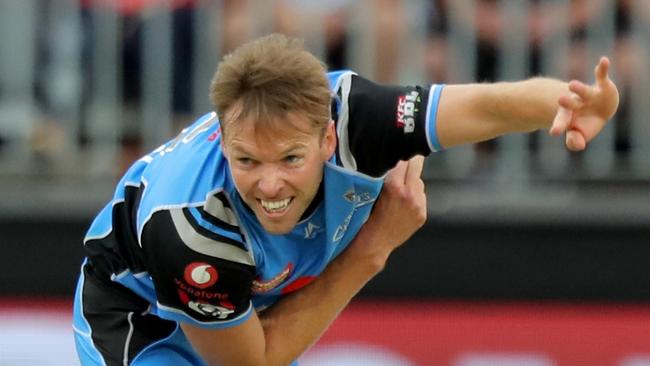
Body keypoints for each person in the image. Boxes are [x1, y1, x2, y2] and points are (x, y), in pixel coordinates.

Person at [72, 34, 618, 365]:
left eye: (290, 159)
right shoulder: (189, 229)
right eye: (246, 161)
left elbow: (484, 108)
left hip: (245, 296)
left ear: (328, 138)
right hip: (139, 320)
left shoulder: (360, 118)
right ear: (223, 138)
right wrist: (371, 250)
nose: (269, 186)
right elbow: (255, 360)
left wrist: (570, 101)